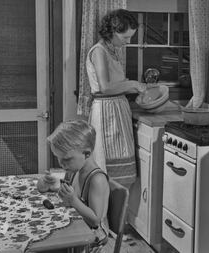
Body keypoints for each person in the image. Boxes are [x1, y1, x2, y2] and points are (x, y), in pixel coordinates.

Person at [86, 9, 145, 188]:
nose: (128, 42)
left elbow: (116, 84)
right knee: (107, 172)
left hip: (117, 110)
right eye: (125, 38)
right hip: (107, 112)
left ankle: (115, 214)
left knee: (118, 181)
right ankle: (102, 214)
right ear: (112, 32)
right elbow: (105, 87)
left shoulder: (112, 51)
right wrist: (133, 84)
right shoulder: (99, 51)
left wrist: (132, 86)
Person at [47, 120, 110, 250]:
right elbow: (72, 192)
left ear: (86, 153)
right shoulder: (77, 169)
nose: (61, 164)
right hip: (78, 228)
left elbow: (95, 221)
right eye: (58, 158)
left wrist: (73, 200)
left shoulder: (96, 179)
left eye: (66, 159)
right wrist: (54, 184)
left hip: (91, 240)